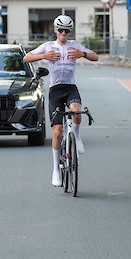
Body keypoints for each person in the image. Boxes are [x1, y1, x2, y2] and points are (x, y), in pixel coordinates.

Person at [23, 14, 98, 186]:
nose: (63, 34)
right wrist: (44, 56)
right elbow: (26, 58)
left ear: (69, 32)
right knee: (57, 132)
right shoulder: (48, 46)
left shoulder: (75, 46)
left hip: (70, 87)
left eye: (67, 31)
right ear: (55, 30)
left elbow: (95, 57)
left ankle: (77, 137)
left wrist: (82, 53)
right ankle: (56, 170)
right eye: (61, 30)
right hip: (55, 90)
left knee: (77, 110)